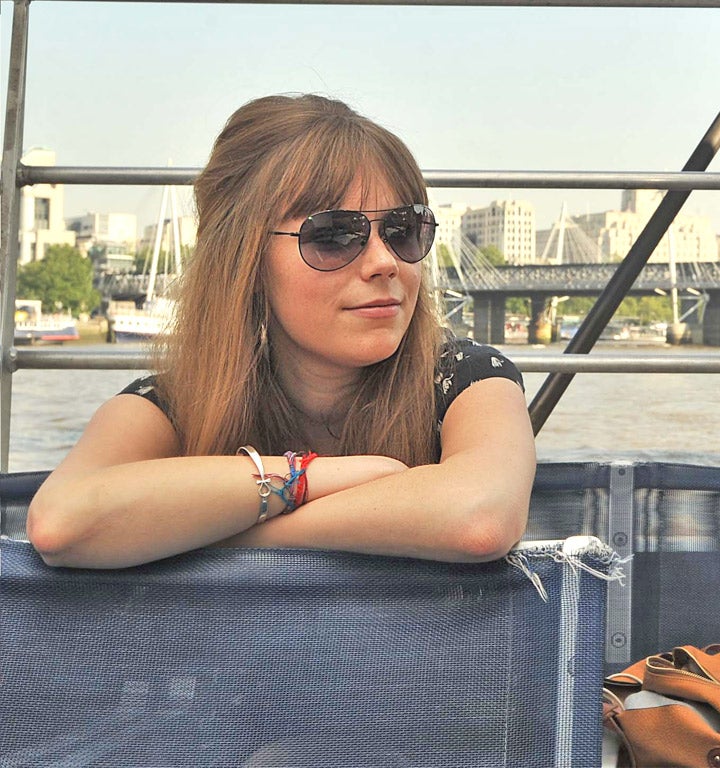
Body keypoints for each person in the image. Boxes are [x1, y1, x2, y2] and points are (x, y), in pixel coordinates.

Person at [27, 94, 536, 569]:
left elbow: (480, 519)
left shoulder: (465, 378)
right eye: (335, 235)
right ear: (244, 260)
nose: (385, 262)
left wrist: (217, 528)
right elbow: (60, 524)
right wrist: (311, 477)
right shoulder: (177, 403)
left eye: (403, 230)